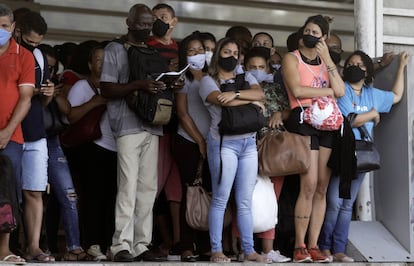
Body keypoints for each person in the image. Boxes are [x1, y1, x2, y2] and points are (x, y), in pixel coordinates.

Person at [100, 3, 182, 262]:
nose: (147, 28)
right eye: (142, 24)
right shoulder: (115, 49)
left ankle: (141, 244)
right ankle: (120, 245)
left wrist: (170, 81)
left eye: (150, 24)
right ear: (129, 22)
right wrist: (139, 85)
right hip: (126, 125)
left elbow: (155, 85)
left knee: (147, 188)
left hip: (152, 124)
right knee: (127, 186)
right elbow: (106, 89)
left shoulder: (150, 50)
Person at [319, 50, 409, 262]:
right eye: (350, 63)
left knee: (347, 203)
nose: (354, 67)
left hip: (362, 154)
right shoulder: (342, 90)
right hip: (342, 151)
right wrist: (372, 114)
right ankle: (324, 247)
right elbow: (348, 120)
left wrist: (401, 68)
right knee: (333, 201)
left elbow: (396, 96)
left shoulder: (372, 93)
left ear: (367, 70)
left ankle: (339, 249)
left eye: (359, 64)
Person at [199, 37, 269, 263]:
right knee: (220, 198)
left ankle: (249, 251)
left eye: (235, 52)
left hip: (248, 143)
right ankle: (216, 250)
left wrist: (236, 95)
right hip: (222, 144)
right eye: (226, 52)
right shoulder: (207, 81)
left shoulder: (245, 76)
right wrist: (247, 100)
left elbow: (260, 95)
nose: (231, 56)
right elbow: (220, 100)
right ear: (218, 54)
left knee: (244, 200)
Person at [281, 14, 345, 262]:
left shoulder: (324, 61)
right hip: (304, 120)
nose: (309, 34)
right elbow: (297, 90)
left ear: (324, 38)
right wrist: (329, 91)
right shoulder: (291, 58)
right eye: (306, 30)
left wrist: (328, 58)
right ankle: (299, 246)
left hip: (327, 124)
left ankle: (314, 245)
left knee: (321, 187)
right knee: (307, 186)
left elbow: (341, 89)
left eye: (315, 32)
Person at [14, 10, 57, 262]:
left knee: (35, 191)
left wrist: (49, 92)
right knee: (7, 193)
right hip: (9, 130)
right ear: (16, 30)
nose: (33, 47)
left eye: (37, 44)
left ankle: (33, 247)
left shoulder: (39, 56)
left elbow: (42, 101)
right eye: (29, 42)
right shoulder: (6, 54)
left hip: (34, 131)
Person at [66, 45, 116, 261]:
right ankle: (92, 244)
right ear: (89, 65)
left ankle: (108, 244)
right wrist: (94, 102)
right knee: (93, 198)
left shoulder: (117, 86)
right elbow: (71, 117)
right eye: (98, 60)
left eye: (107, 60)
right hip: (92, 148)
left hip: (116, 149)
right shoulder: (81, 86)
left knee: (111, 199)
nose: (103, 64)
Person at [243, 47, 291, 263]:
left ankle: (268, 249)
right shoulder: (239, 86)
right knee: (243, 199)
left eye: (261, 67)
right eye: (252, 67)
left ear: (269, 68)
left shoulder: (276, 89)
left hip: (273, 150)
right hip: (244, 147)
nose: (257, 71)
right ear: (244, 68)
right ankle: (242, 247)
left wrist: (280, 113)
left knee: (272, 199)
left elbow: (291, 109)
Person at [147, 3, 182, 260]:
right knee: (153, 185)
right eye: (155, 17)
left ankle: (177, 242)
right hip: (154, 125)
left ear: (174, 21)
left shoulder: (181, 49)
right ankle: (147, 241)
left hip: (178, 126)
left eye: (164, 17)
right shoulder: (146, 47)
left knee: (175, 188)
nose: (160, 21)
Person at [173, 32, 211, 262]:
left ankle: (207, 245)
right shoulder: (182, 80)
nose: (197, 54)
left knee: (209, 193)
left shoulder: (213, 77)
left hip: (212, 142)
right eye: (191, 51)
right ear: (183, 55)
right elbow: (183, 114)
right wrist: (200, 141)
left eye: (201, 50)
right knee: (190, 192)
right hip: (188, 142)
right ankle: (187, 245)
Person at [0, 4, 34, 264]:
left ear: (12, 27)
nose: (0, 31)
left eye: (3, 26)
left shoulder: (23, 55)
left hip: (10, 136)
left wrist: (7, 131)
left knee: (7, 194)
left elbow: (25, 99)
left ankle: (4, 250)